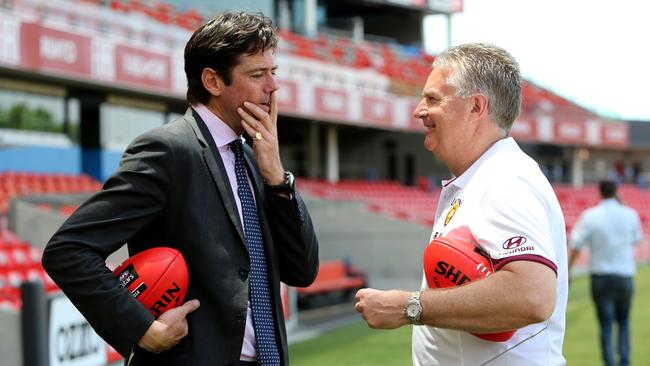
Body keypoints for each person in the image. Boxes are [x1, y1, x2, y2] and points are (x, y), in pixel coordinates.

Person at [42, 11, 319, 366]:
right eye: (257, 74)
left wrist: (278, 179)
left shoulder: (256, 159)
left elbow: (302, 270)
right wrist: (142, 329)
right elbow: (68, 250)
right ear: (213, 81)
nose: (273, 86)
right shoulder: (167, 150)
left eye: (273, 72)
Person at [354, 43, 568, 365]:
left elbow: (533, 296)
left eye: (433, 99)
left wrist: (408, 307)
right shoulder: (487, 175)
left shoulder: (504, 179)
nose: (419, 110)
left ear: (476, 107)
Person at [568, 180, 642, 366]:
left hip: (601, 276)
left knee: (606, 325)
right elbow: (636, 238)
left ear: (599, 192)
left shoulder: (590, 216)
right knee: (624, 322)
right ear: (616, 192)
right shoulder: (630, 214)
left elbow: (576, 244)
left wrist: (568, 270)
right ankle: (624, 361)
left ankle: (609, 363)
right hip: (625, 276)